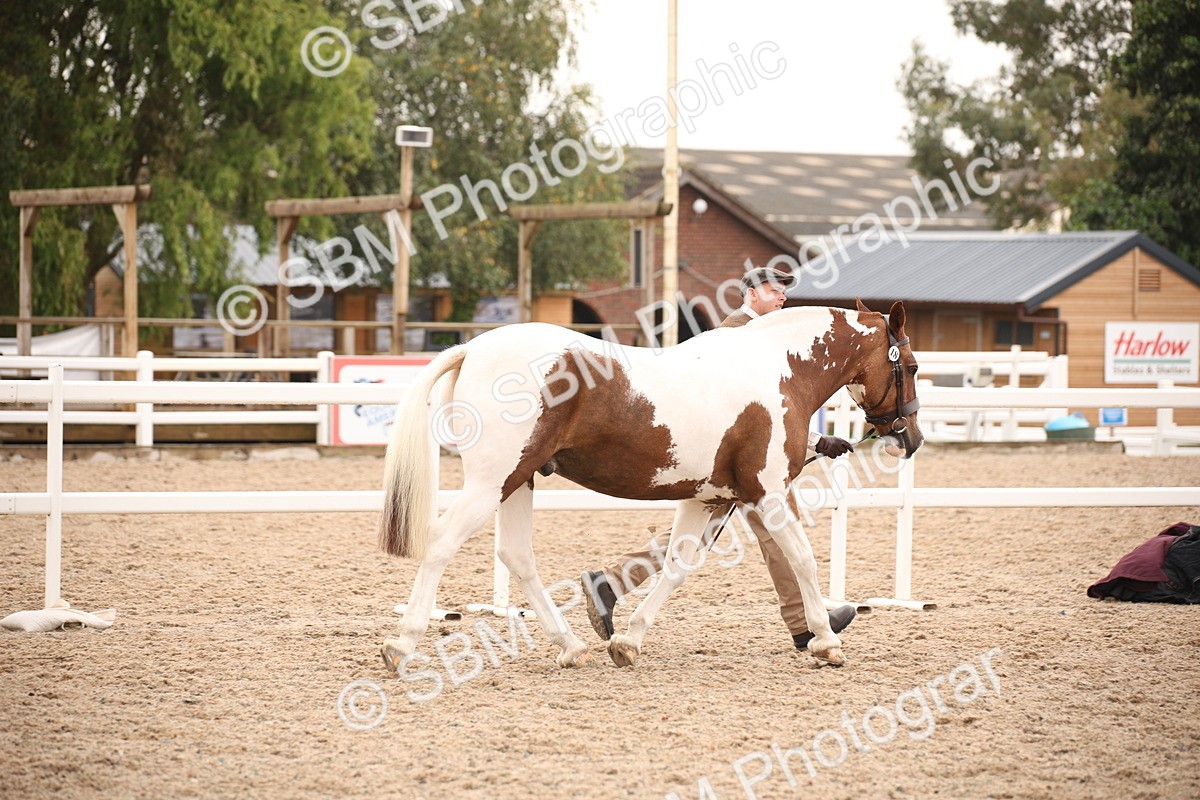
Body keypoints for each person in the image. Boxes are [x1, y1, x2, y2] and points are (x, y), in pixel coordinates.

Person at [580, 266, 858, 651]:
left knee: (706, 537)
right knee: (761, 533)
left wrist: (813, 442)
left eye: (782, 292)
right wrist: (813, 441)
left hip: (735, 457)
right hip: (730, 457)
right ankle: (804, 622)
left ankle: (611, 583)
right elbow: (752, 411)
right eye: (774, 291)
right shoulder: (737, 334)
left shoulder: (763, 337)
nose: (782, 298)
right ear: (752, 293)